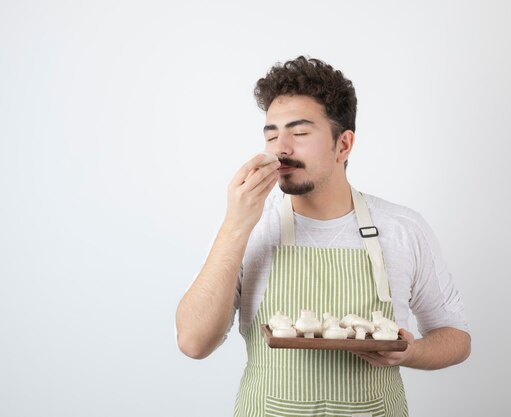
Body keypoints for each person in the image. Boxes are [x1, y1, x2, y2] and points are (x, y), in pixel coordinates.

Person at [175, 56, 471, 416]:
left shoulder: (402, 228)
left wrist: (412, 352)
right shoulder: (248, 227)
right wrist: (236, 225)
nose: (280, 148)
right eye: (271, 134)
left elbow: (455, 336)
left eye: (299, 133)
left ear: (343, 145)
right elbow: (193, 343)